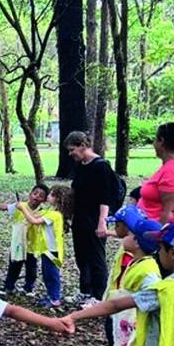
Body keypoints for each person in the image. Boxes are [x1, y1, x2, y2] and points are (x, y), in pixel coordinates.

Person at [100, 207, 162, 346]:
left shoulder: (146, 268)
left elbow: (153, 293)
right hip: (121, 313)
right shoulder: (133, 256)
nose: (124, 235)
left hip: (132, 320)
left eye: (129, 234)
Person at [64, 130, 119, 306]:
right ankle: (85, 291)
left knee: (96, 257)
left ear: (83, 146)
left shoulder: (101, 166)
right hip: (80, 217)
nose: (70, 153)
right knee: (82, 256)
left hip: (95, 218)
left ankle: (98, 295)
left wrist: (102, 222)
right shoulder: (81, 165)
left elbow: (105, 197)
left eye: (72, 149)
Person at [0, 184, 50, 297]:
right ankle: (9, 286)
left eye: (41, 196)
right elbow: (6, 207)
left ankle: (29, 288)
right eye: (35, 193)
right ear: (30, 194)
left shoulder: (43, 211)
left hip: (33, 244)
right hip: (18, 243)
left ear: (44, 200)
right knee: (14, 265)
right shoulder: (20, 205)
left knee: (31, 268)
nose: (36, 197)